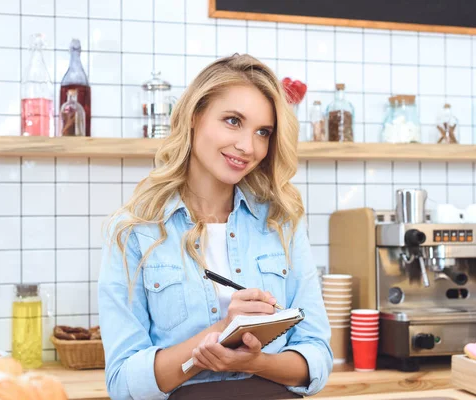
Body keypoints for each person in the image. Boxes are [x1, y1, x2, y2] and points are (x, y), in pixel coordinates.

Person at [98, 54, 333, 400]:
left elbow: (317, 355)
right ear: (195, 116)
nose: (247, 147)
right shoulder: (135, 230)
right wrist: (221, 335)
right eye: (233, 121)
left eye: (262, 132)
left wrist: (257, 362)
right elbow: (122, 381)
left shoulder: (281, 223)